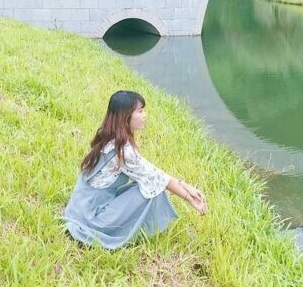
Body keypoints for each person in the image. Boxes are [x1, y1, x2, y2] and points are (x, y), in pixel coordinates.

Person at [63, 90, 207, 249]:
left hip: (78, 210)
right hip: (90, 219)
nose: (145, 115)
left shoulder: (110, 137)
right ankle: (139, 232)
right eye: (140, 111)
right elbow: (158, 179)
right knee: (153, 189)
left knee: (148, 183)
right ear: (125, 116)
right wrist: (189, 197)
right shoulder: (122, 151)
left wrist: (186, 186)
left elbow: (153, 172)